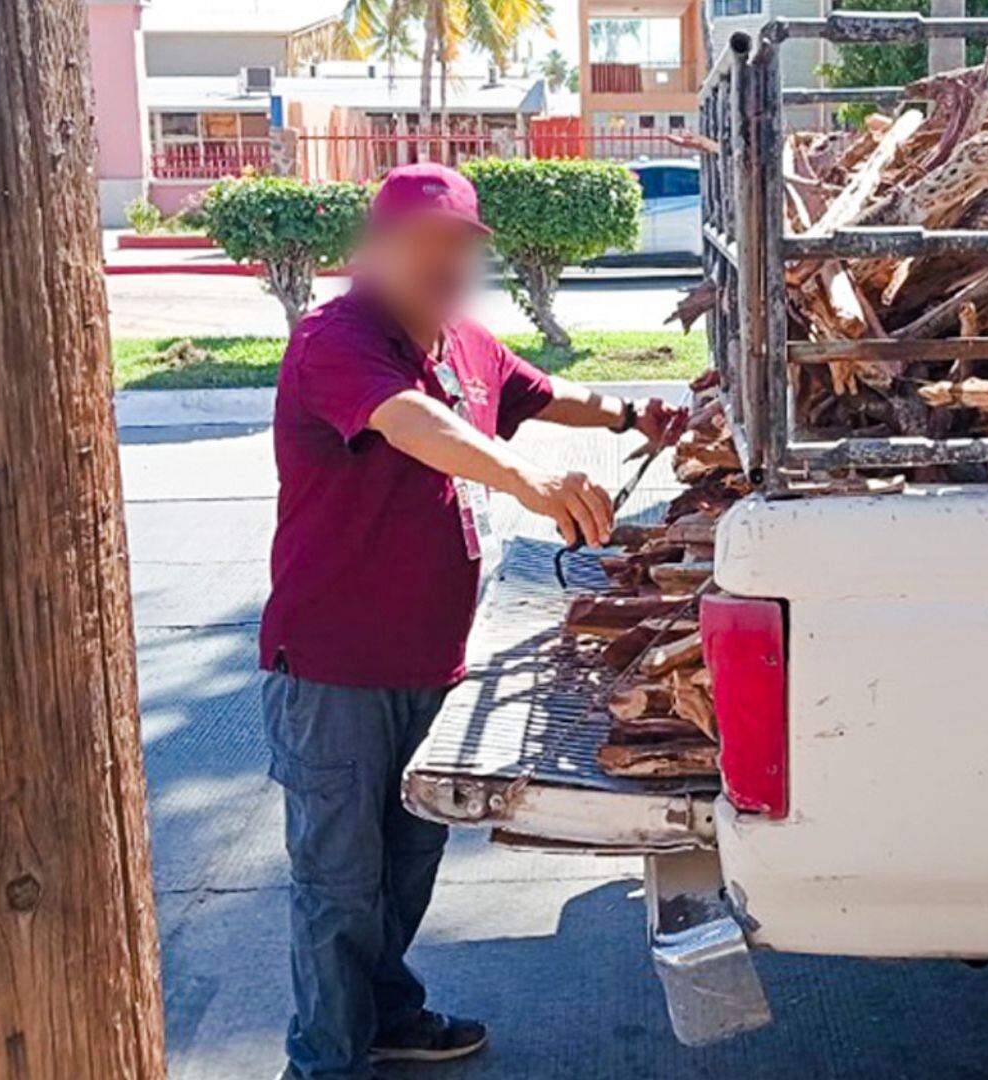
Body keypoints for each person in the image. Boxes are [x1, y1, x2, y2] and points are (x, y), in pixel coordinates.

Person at [258, 163, 684, 1080]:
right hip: (332, 665)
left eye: (459, 246)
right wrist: (528, 482)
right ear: (377, 250)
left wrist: (635, 419)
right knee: (338, 884)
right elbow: (412, 423)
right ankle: (326, 1061)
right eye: (424, 244)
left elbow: (545, 392)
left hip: (431, 658)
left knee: (408, 860)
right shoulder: (337, 339)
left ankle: (387, 1016)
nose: (444, 263)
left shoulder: (466, 343)